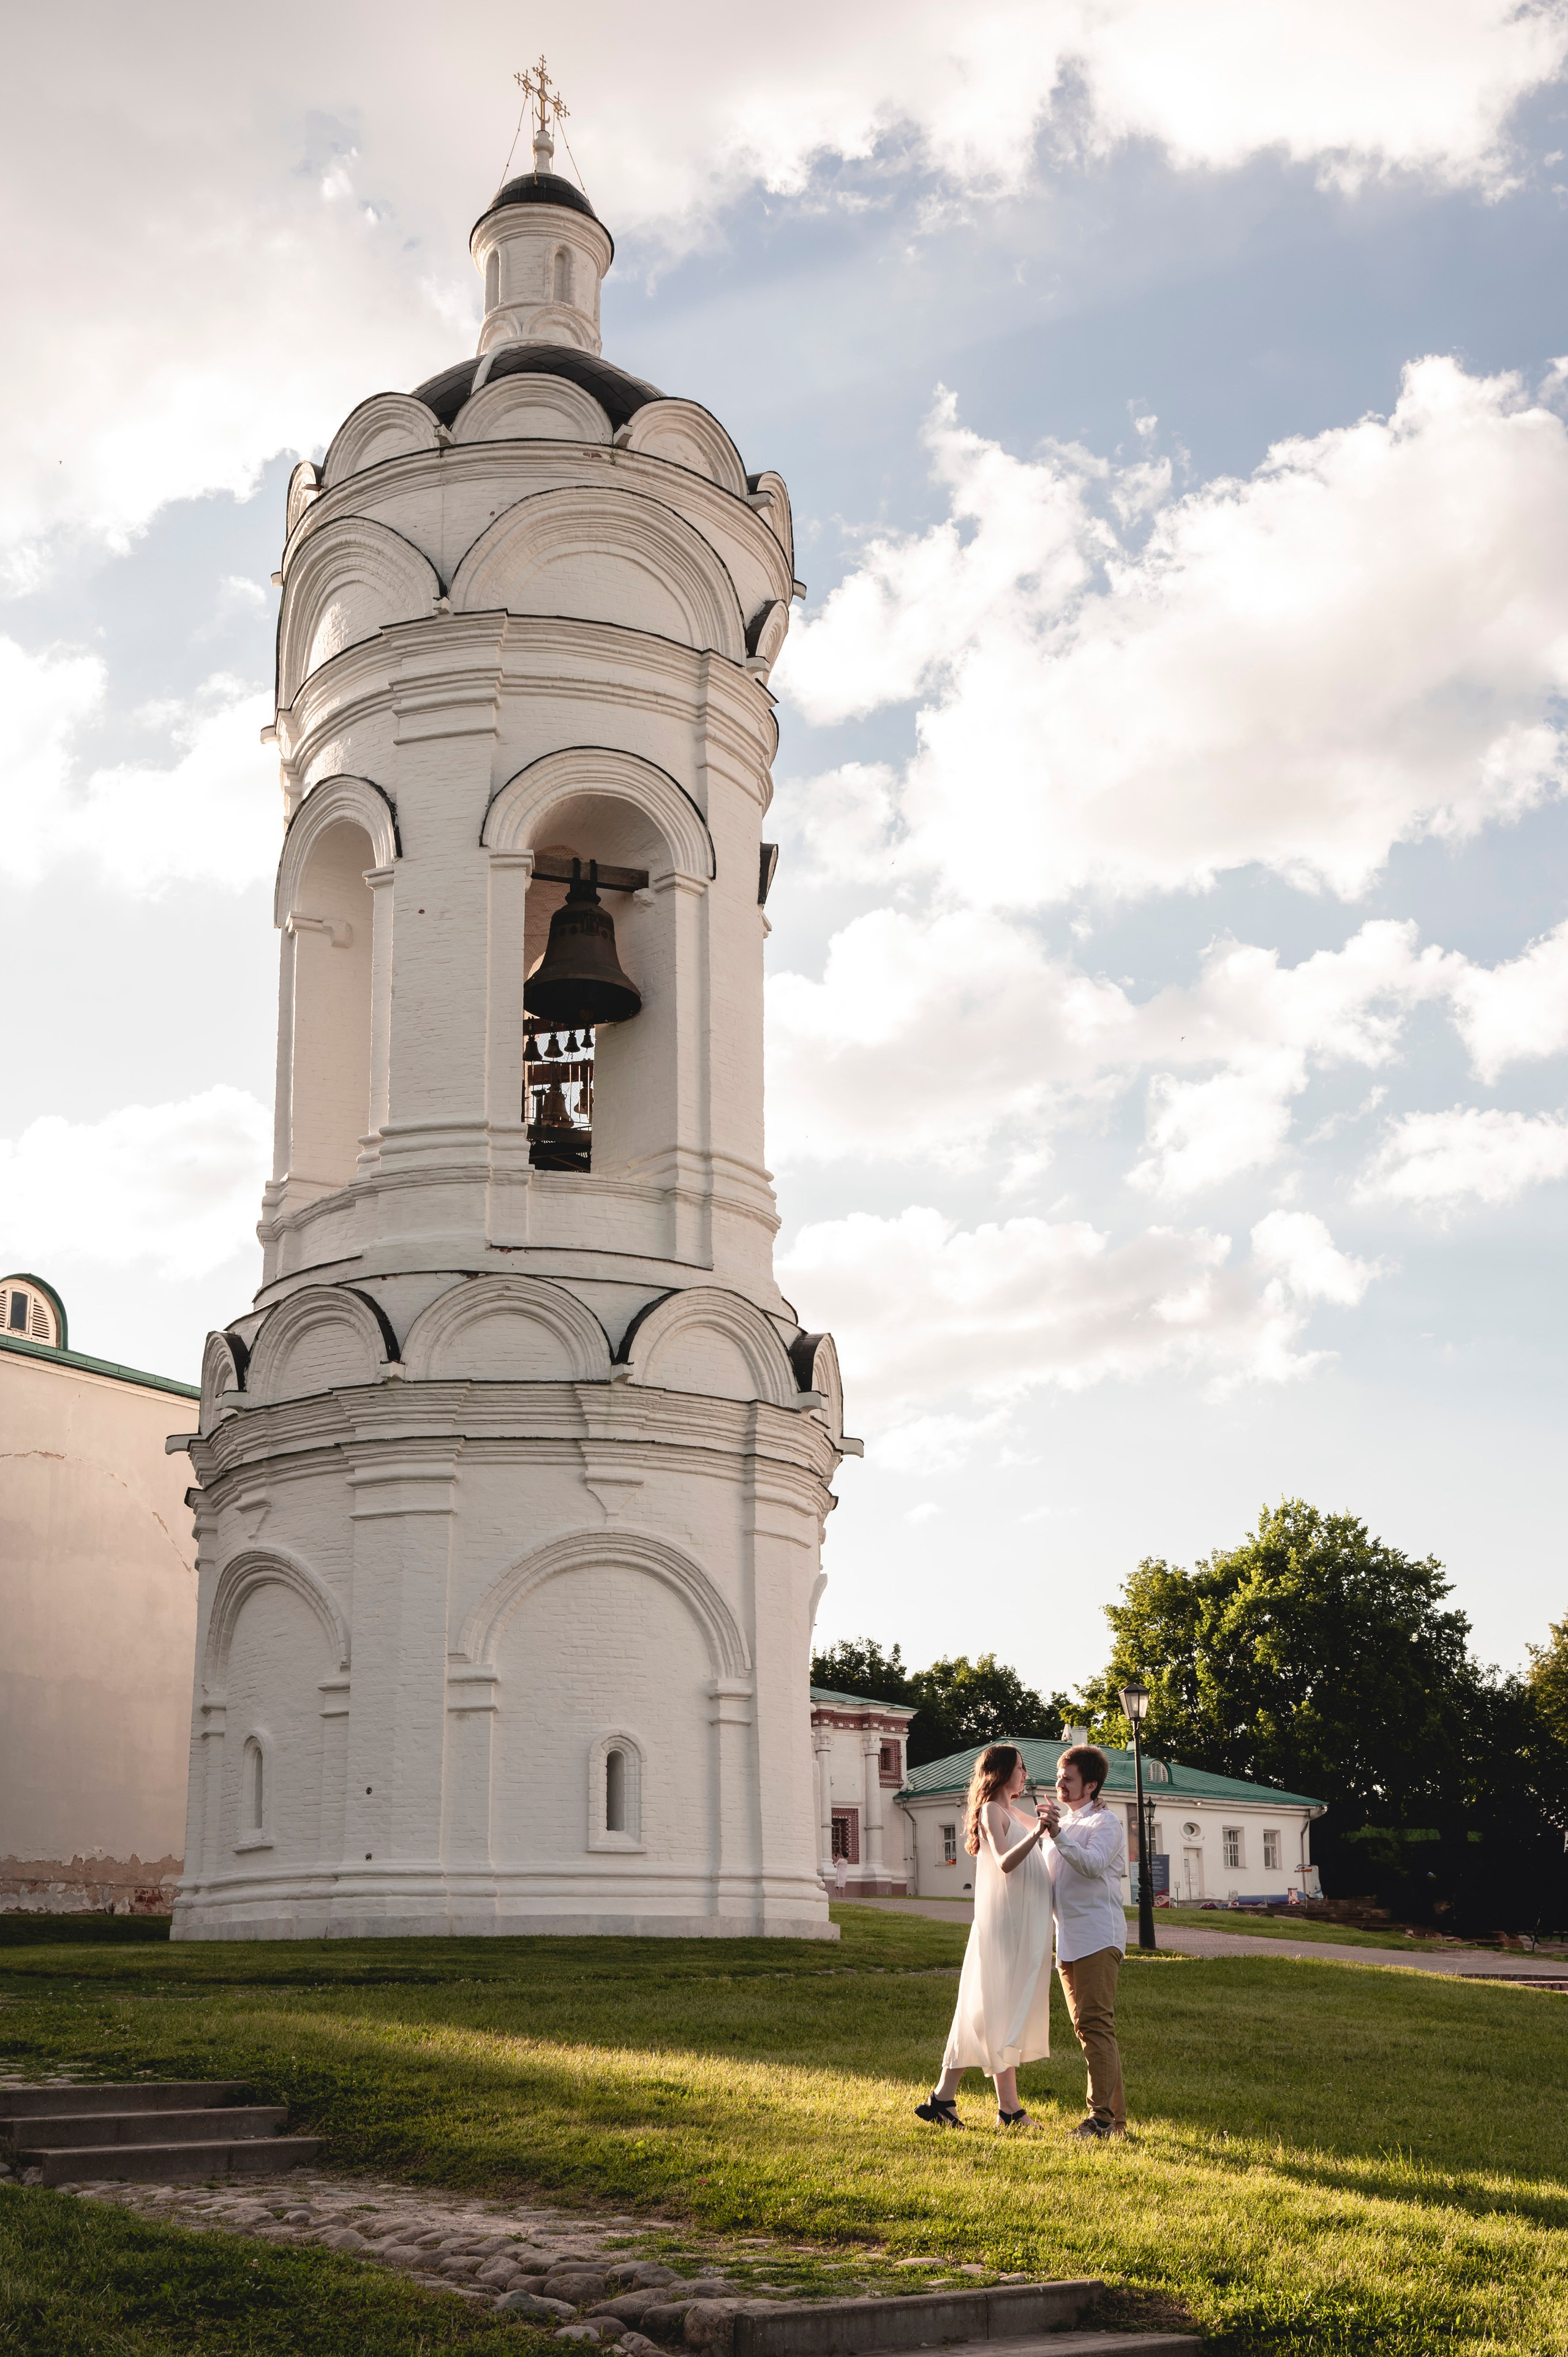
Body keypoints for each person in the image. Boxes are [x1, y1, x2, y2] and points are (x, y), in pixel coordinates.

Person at [915, 1744, 1053, 2130]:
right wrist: (1039, 1831)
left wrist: (1057, 1820)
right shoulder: (992, 1810)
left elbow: (1049, 1832)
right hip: (1003, 1925)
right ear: (1002, 1771)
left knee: (987, 2009)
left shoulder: (1010, 1809)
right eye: (1021, 1768)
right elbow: (1007, 1861)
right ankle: (1003, 2109)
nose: (1025, 1775)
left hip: (1015, 1924)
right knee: (991, 2008)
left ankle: (950, 2100)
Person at [1046, 1742, 1129, 2140]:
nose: (1060, 1782)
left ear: (1091, 1784)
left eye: (1069, 1778)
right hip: (1069, 1938)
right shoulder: (1067, 1823)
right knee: (1088, 2028)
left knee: (1096, 2023)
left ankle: (1100, 2119)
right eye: (1060, 1775)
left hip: (1099, 1934)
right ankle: (1116, 2121)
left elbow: (1093, 1866)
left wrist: (1057, 1834)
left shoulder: (1106, 1823)